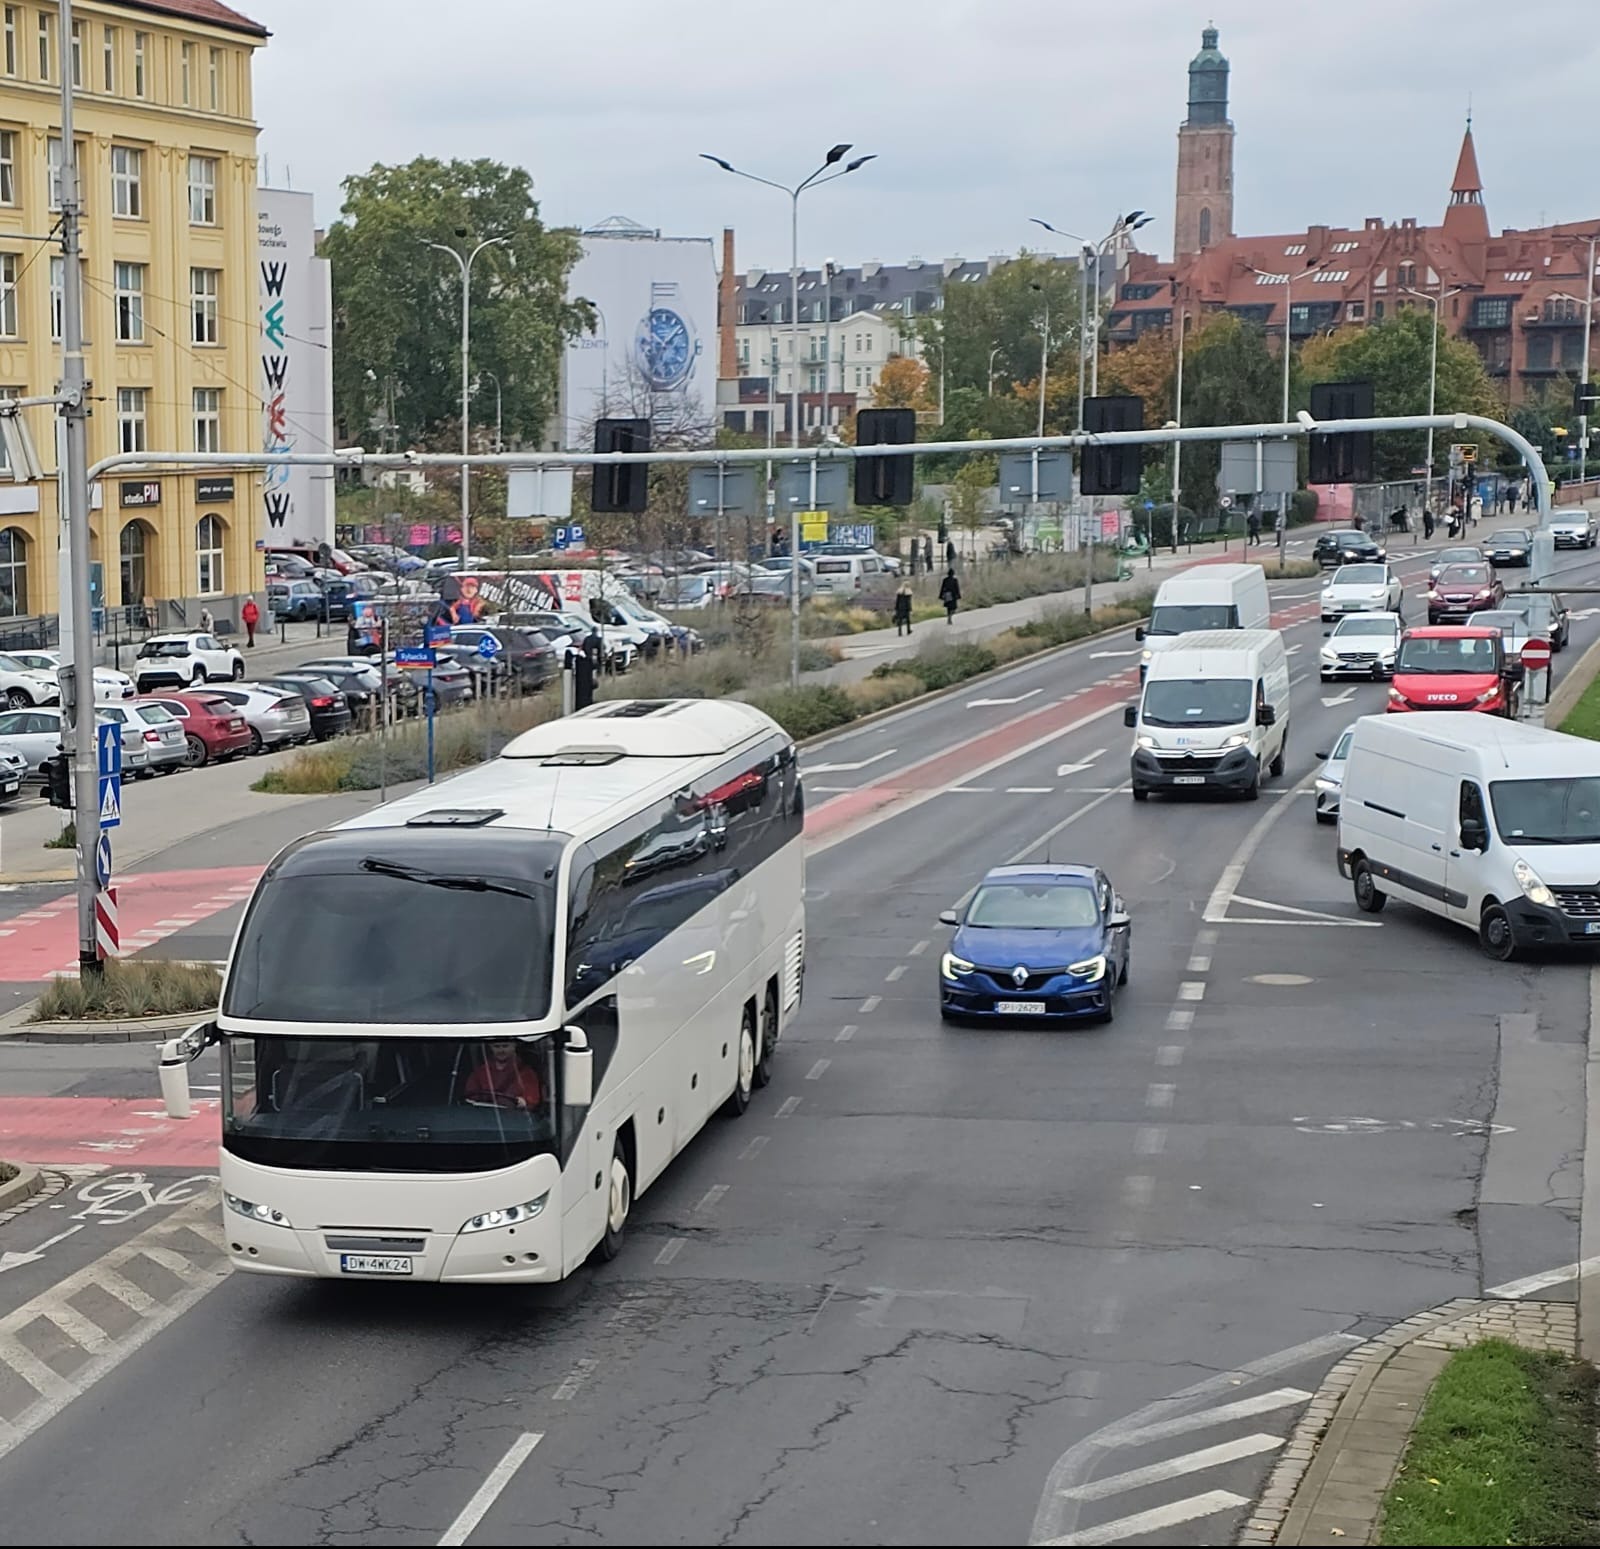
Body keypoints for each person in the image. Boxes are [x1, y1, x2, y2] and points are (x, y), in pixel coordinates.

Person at [463, 1039, 543, 1109]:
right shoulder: (480, 1072)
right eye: (497, 1047)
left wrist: (523, 1102)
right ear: (491, 1047)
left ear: (514, 1046)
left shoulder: (527, 1073)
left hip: (514, 1117)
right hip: (483, 1115)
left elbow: (532, 1099)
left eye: (505, 1046)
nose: (501, 1050)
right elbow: (470, 1095)